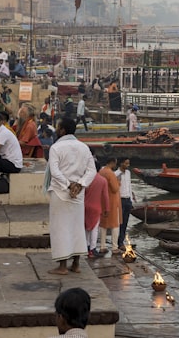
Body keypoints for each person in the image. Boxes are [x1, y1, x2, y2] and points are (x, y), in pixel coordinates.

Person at [45, 117, 98, 274]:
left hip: (61, 192)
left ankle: (62, 267)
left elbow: (55, 172)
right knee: (76, 228)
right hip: (78, 194)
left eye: (58, 127)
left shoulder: (56, 147)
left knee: (60, 228)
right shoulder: (84, 147)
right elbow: (92, 170)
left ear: (62, 130)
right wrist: (80, 184)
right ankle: (76, 264)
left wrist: (70, 185)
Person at [83, 166, 109, 258]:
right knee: (94, 229)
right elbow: (105, 196)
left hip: (85, 206)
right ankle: (93, 249)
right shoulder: (102, 180)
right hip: (96, 207)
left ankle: (86, 247)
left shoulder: (85, 179)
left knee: (86, 228)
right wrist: (107, 209)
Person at [99, 157, 121, 255]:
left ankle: (102, 246)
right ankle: (115, 247)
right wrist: (118, 182)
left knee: (103, 224)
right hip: (112, 201)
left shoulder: (101, 172)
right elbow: (115, 188)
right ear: (112, 163)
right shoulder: (110, 173)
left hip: (102, 201)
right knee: (115, 225)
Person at [116, 157, 134, 251]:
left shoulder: (128, 173)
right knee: (119, 222)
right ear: (121, 163)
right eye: (126, 163)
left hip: (127, 199)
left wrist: (131, 200)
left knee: (125, 222)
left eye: (128, 163)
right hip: (120, 200)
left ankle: (121, 241)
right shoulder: (116, 174)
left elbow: (129, 186)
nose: (128, 165)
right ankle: (118, 242)